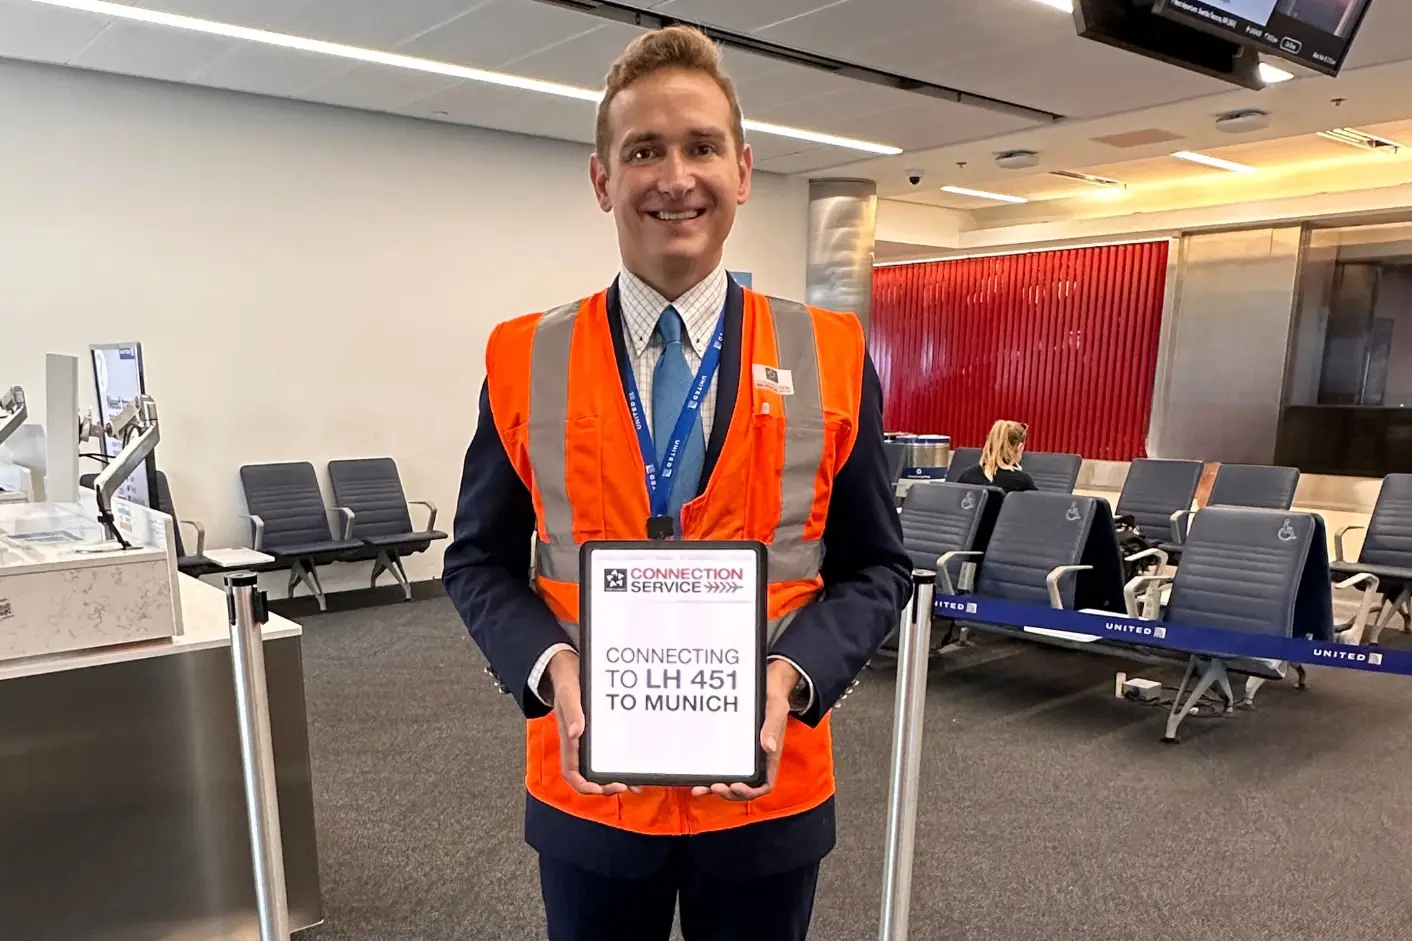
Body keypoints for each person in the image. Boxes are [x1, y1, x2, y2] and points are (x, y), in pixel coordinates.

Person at [441, 24, 912, 941]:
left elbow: (876, 567)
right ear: (602, 179)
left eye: (700, 146)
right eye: (643, 150)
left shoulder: (830, 352)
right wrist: (552, 667)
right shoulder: (523, 355)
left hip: (765, 791)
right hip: (591, 791)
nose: (674, 176)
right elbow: (476, 560)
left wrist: (793, 676)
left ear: (742, 170)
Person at [955, 419, 1038, 493]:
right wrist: (1019, 474)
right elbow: (1038, 507)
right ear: (1020, 448)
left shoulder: (967, 475)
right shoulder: (1022, 481)